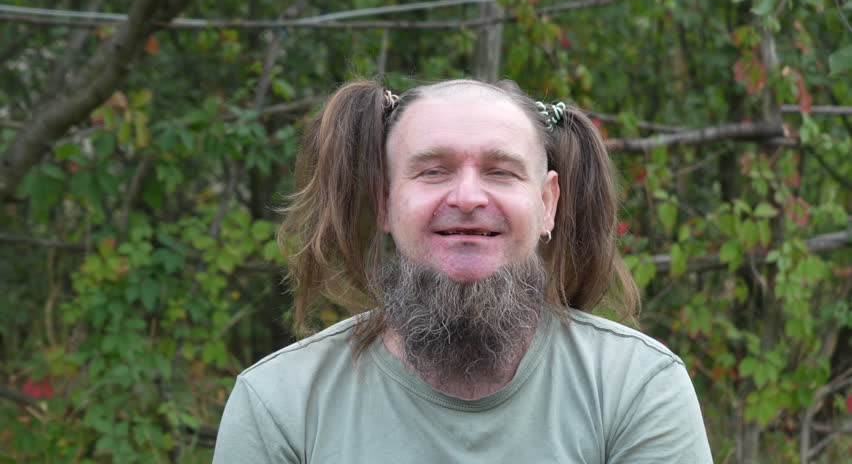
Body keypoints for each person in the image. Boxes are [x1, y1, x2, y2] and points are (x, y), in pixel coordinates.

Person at [212, 79, 713, 463]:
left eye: (501, 171)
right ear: (384, 203)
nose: (469, 197)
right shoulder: (279, 405)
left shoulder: (637, 387)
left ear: (547, 204)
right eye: (433, 171)